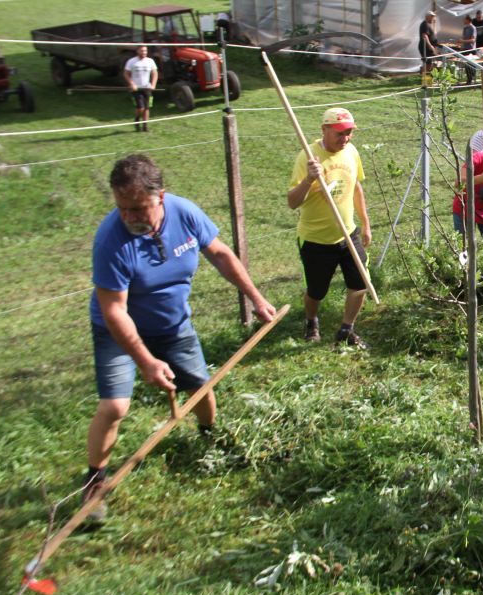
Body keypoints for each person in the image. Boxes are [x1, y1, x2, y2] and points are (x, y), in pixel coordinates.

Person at [85, 155, 277, 519]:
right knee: (115, 407)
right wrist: (146, 360)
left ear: (161, 197)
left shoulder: (184, 213)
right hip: (118, 330)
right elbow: (114, 310)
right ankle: (94, 482)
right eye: (122, 208)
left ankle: (210, 438)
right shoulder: (111, 240)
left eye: (138, 208)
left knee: (201, 388)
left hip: (172, 325)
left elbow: (220, 254)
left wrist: (256, 298)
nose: (129, 217)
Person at [287, 107, 373, 349]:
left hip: (348, 233)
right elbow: (292, 202)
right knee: (317, 290)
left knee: (360, 284)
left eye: (349, 133)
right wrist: (309, 180)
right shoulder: (307, 157)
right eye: (340, 133)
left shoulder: (351, 152)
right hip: (316, 239)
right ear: (324, 130)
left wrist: (365, 224)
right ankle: (311, 320)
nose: (345, 138)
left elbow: (356, 188)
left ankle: (346, 329)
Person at [123, 45, 158, 132]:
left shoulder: (150, 61)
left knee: (147, 108)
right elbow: (126, 73)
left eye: (145, 51)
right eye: (142, 51)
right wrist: (131, 84)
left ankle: (145, 126)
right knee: (140, 108)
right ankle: (137, 119)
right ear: (137, 51)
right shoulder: (131, 61)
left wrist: (153, 85)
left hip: (147, 88)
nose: (144, 53)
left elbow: (155, 73)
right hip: (136, 89)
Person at [418, 11, 441, 80]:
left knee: (429, 63)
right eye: (432, 17)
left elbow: (434, 33)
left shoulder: (428, 24)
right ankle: (425, 80)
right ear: (428, 17)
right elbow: (424, 36)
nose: (433, 18)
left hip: (428, 47)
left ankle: (426, 79)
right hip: (425, 47)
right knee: (428, 64)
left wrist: (434, 24)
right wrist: (430, 45)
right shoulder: (424, 24)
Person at [459, 14, 478, 85]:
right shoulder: (465, 28)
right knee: (466, 65)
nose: (463, 20)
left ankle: (472, 80)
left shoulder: (473, 28)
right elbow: (464, 38)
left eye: (464, 19)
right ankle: (469, 80)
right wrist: (461, 46)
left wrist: (462, 41)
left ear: (468, 20)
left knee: (471, 65)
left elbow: (473, 40)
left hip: (471, 49)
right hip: (465, 48)